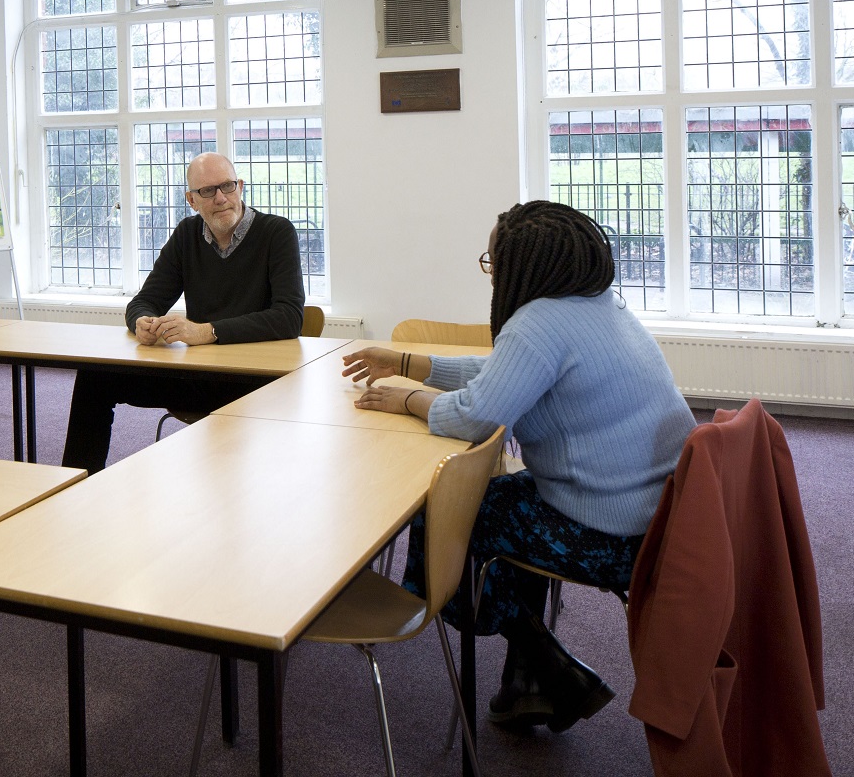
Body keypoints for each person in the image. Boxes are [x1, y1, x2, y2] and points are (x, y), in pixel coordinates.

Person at [341, 200, 694, 732]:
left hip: (608, 535)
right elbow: (504, 373)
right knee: (500, 499)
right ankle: (532, 677)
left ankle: (537, 662)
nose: (492, 272)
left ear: (522, 263)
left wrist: (407, 398)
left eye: (494, 260)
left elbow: (477, 416)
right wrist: (414, 363)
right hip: (656, 514)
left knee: (447, 508)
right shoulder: (598, 305)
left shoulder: (538, 323)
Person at [61, 152, 305, 473]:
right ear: (192, 200)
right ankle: (75, 487)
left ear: (240, 187)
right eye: (207, 191)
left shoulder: (276, 232)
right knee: (95, 378)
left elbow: (289, 317)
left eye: (227, 186)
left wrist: (205, 331)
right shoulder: (186, 236)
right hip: (200, 376)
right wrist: (142, 322)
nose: (220, 198)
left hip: (257, 384)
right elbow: (144, 301)